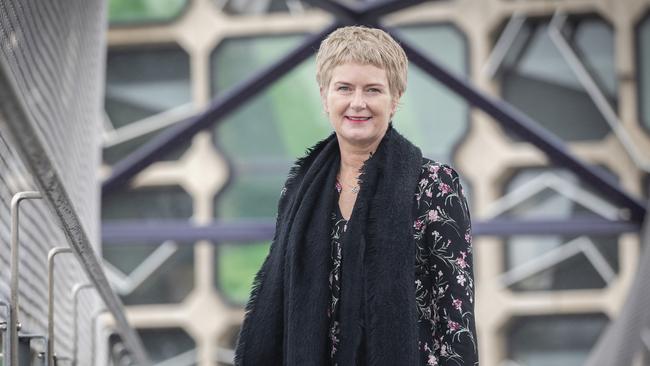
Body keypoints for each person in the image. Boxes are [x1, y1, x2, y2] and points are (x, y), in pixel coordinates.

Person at [235, 26, 478, 366]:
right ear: (325, 97)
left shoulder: (434, 185)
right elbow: (281, 304)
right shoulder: (300, 189)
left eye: (373, 90)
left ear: (395, 99)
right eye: (344, 88)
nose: (357, 103)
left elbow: (456, 318)